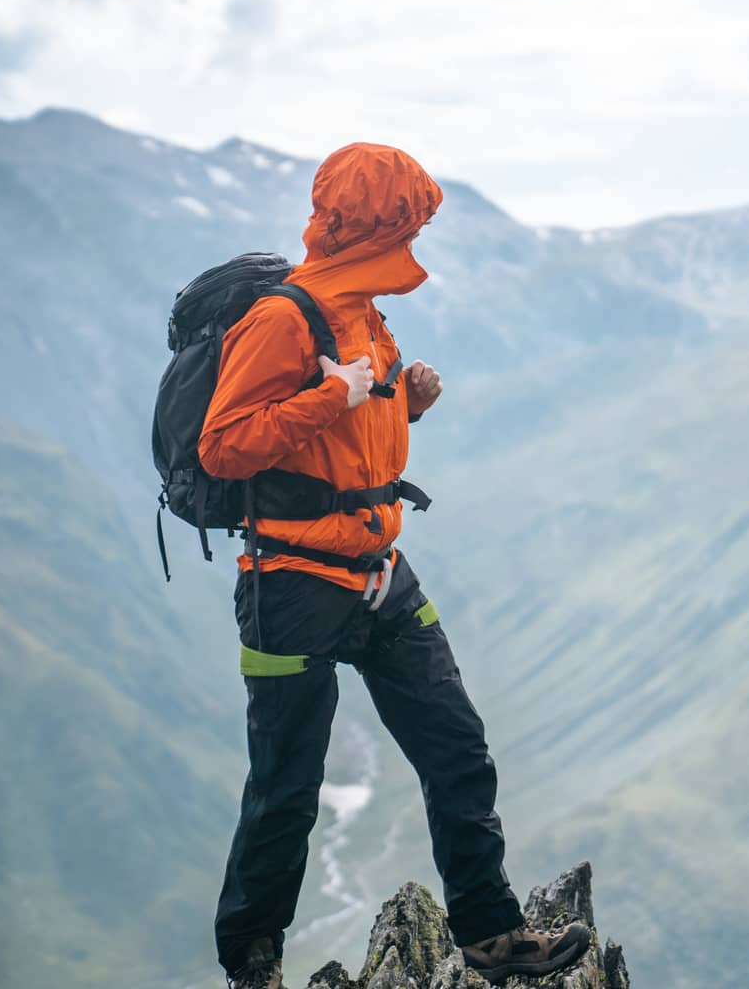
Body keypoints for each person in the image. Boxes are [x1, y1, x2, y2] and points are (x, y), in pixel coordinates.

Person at [200, 143, 589, 988]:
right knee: (286, 789)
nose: (415, 238)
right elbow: (225, 446)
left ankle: (489, 934)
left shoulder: (364, 313)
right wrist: (331, 395)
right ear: (375, 225)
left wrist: (400, 399)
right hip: (290, 586)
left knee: (457, 747)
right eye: (407, 222)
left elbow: (344, 441)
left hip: (379, 575)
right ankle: (252, 964)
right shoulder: (282, 318)